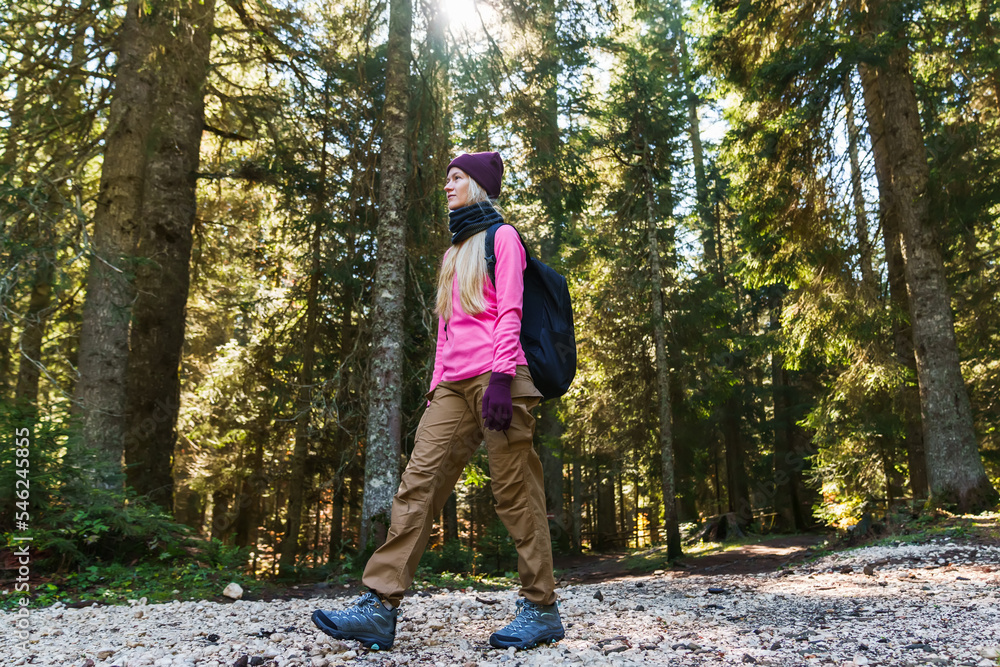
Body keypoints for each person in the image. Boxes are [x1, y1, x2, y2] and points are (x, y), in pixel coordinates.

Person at [311, 151, 564, 651]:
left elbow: (510, 311)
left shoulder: (503, 238)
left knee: (515, 493)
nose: (447, 186)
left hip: (501, 379)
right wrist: (435, 387)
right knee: (417, 486)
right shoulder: (454, 253)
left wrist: (499, 378)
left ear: (478, 185)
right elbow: (446, 331)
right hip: (451, 387)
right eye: (447, 178)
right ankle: (379, 606)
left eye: (456, 178)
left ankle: (540, 608)